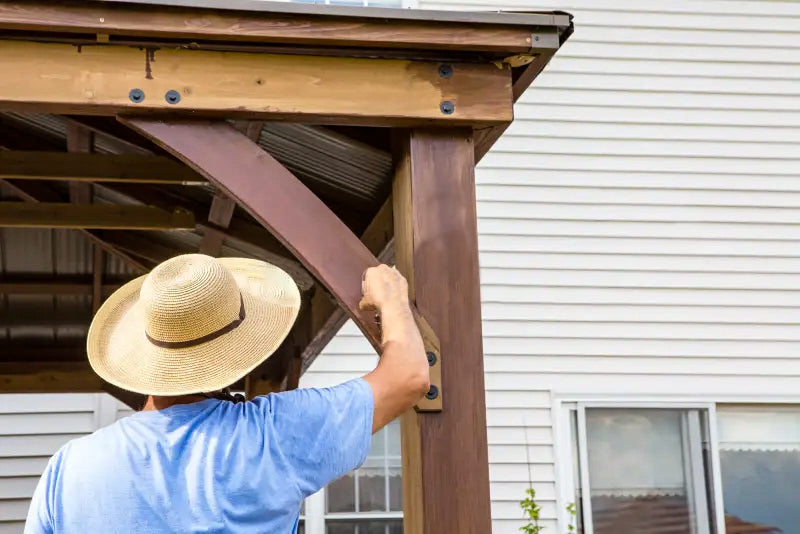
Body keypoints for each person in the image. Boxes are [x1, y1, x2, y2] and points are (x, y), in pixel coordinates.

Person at [24, 254, 430, 534]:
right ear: (237, 355)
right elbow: (409, 376)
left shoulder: (68, 470)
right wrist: (391, 297)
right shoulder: (272, 436)